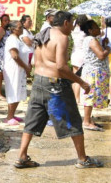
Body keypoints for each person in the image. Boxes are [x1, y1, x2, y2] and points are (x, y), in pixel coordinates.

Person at [15, 11, 102, 169]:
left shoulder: (43, 34)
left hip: (38, 82)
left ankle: (22, 156)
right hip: (55, 85)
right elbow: (61, 66)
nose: (72, 28)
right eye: (71, 24)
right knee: (74, 121)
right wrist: (81, 82)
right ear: (66, 23)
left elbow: (35, 61)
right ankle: (83, 159)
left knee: (32, 121)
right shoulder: (62, 37)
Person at [79, 19, 111, 131]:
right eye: (96, 27)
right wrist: (107, 49)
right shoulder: (91, 40)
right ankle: (86, 121)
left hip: (94, 71)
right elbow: (101, 55)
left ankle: (89, 120)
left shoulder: (93, 39)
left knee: (92, 95)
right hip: (93, 72)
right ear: (90, 30)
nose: (99, 29)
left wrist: (103, 43)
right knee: (90, 95)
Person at [2, 20, 30, 126]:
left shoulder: (19, 39)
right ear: (13, 29)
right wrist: (25, 67)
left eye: (22, 26)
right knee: (13, 91)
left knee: (18, 91)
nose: (22, 28)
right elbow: (15, 56)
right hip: (13, 69)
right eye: (19, 27)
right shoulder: (12, 39)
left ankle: (12, 114)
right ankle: (9, 117)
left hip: (20, 69)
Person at [70, 15, 90, 102]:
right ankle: (78, 98)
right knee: (80, 77)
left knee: (74, 76)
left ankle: (75, 97)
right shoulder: (85, 33)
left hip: (74, 54)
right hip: (82, 55)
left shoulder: (74, 31)